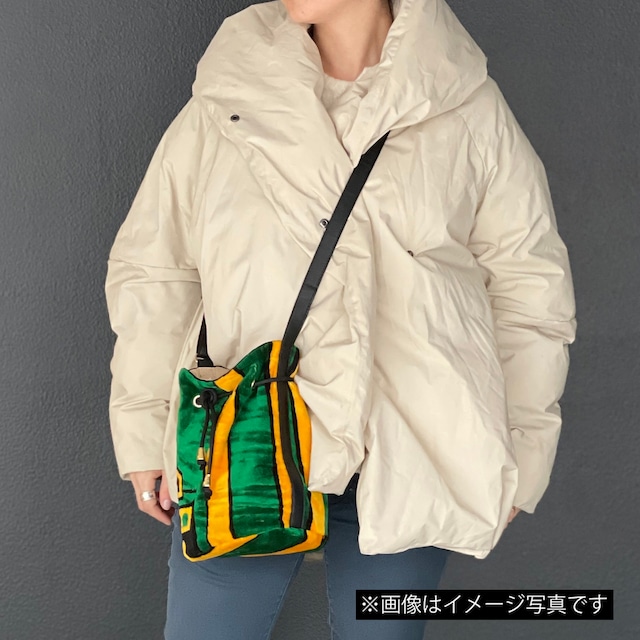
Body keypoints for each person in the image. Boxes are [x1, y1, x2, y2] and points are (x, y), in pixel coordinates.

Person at [104, 0, 577, 638]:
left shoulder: (467, 108)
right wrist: (142, 429)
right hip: (248, 440)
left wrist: (519, 449)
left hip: (414, 444)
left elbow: (530, 291)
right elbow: (155, 271)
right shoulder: (226, 103)